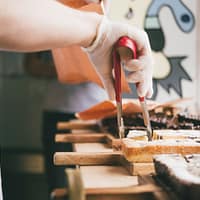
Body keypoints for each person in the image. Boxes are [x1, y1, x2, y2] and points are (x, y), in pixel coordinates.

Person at [0, 0, 154, 199]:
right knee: (61, 185)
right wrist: (97, 34)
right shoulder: (54, 13)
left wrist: (99, 33)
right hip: (58, 111)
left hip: (99, 116)